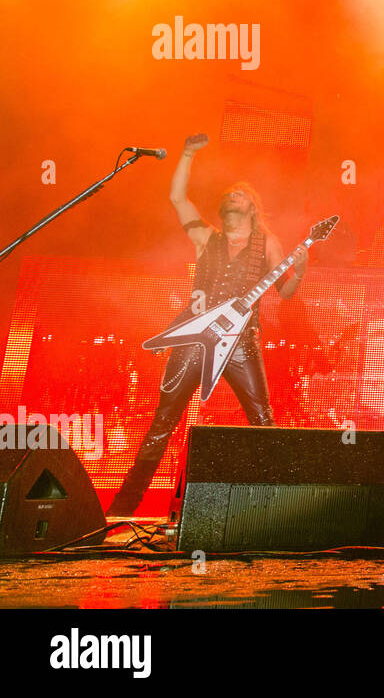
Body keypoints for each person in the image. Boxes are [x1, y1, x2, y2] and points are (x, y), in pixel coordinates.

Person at [106, 133, 308, 516]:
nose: (233, 194)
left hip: (240, 343)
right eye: (229, 192)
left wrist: (302, 268)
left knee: (263, 420)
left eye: (241, 193)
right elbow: (178, 200)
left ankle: (281, 507)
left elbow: (285, 293)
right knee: (162, 422)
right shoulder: (206, 238)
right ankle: (120, 511)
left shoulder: (267, 242)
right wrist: (185, 154)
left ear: (253, 207)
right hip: (193, 338)